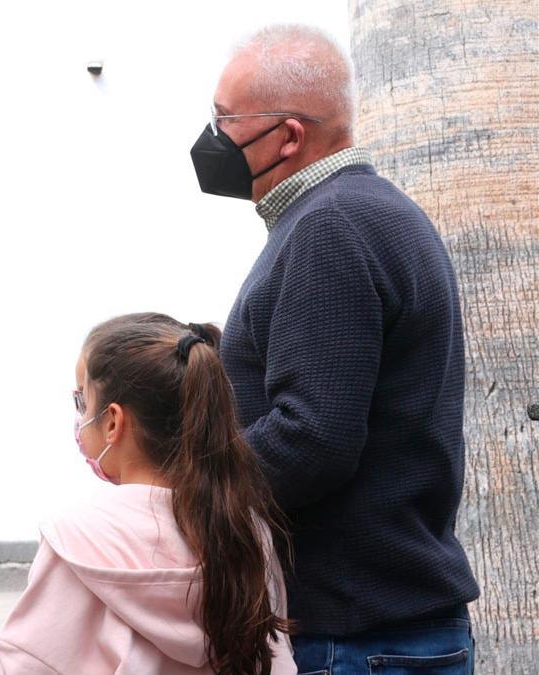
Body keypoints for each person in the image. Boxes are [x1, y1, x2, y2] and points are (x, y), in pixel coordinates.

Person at [190, 24, 480, 672]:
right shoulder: (367, 212)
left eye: (224, 120)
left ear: (289, 136)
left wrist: (184, 484)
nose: (213, 140)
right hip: (391, 629)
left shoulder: (330, 228)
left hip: (357, 639)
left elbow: (312, 438)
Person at [0, 314, 294, 675]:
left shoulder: (75, 536)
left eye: (82, 401)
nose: (80, 416)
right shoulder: (248, 531)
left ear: (114, 421)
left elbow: (24, 664)